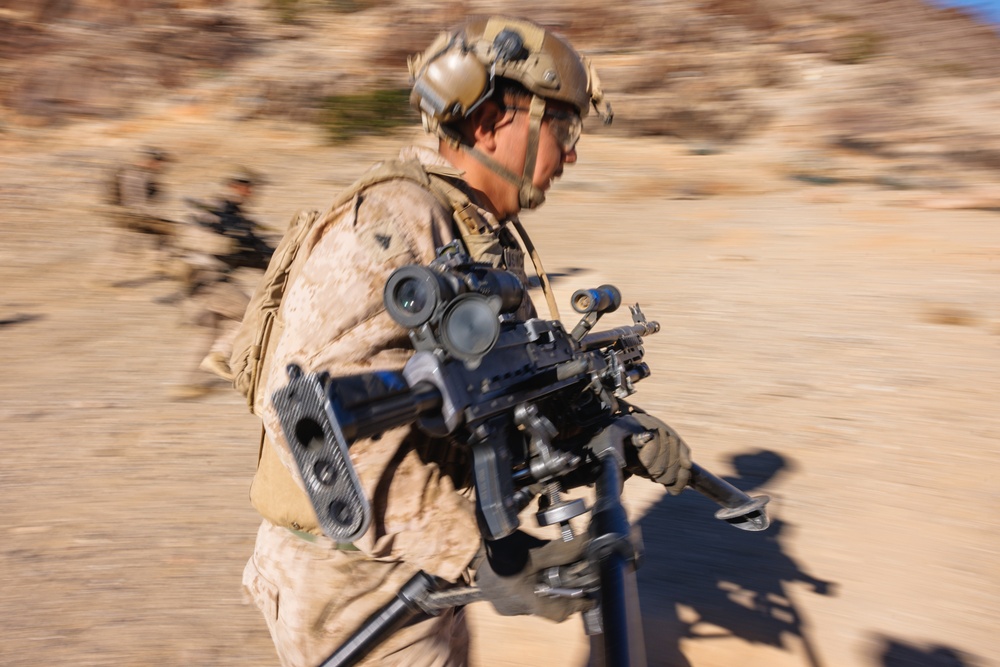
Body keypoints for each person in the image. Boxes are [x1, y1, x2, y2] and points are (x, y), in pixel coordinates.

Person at [239, 16, 692, 667]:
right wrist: (481, 553)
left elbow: (508, 384)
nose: (571, 153)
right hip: (352, 578)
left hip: (419, 569)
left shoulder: (476, 231)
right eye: (563, 128)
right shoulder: (398, 216)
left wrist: (614, 429)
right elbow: (310, 420)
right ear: (493, 122)